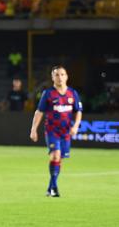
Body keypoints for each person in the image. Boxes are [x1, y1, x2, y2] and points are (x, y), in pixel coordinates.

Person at [30, 65, 83, 197]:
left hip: (65, 132)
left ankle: (51, 187)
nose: (60, 77)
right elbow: (39, 112)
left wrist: (76, 126)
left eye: (62, 74)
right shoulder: (48, 94)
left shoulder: (72, 93)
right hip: (52, 130)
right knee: (55, 155)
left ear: (67, 76)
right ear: (52, 77)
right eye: (57, 75)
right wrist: (33, 129)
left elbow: (78, 112)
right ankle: (53, 188)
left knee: (60, 159)